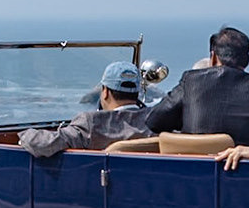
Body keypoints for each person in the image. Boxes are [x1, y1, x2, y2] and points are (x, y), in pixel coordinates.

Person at [143, 25, 249, 147]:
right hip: (245, 176)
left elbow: (154, 121)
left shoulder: (191, 81)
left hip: (192, 171)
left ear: (213, 57)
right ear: (247, 60)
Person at [20, 61, 153, 157]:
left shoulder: (91, 123)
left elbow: (43, 144)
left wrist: (23, 136)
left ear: (105, 92)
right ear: (137, 93)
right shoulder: (155, 121)